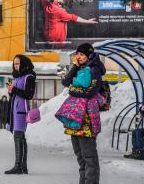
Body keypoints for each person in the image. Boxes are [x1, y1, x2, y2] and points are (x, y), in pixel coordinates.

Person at [61, 43, 106, 184]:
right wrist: (74, 67)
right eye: (77, 54)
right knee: (80, 156)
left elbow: (89, 92)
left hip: (87, 118)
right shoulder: (78, 69)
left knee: (89, 157)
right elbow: (65, 82)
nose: (78, 57)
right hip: (75, 116)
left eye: (82, 54)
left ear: (89, 55)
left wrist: (72, 89)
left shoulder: (94, 70)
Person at [5, 54, 36, 175]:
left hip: (22, 110)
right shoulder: (17, 77)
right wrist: (10, 91)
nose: (15, 66)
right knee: (20, 138)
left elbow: (29, 95)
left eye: (17, 63)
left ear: (23, 63)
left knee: (18, 136)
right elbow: (15, 94)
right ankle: (23, 166)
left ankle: (18, 166)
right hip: (15, 109)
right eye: (14, 64)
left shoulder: (29, 77)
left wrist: (14, 90)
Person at [124, 88, 144, 160]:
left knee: (139, 131)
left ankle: (140, 152)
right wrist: (142, 110)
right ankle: (135, 151)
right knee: (134, 131)